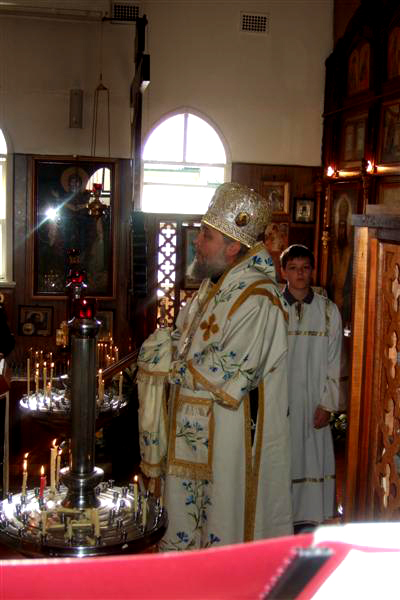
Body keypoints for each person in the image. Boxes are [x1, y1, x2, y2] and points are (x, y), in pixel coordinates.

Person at [137, 182, 293, 550]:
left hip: (229, 436)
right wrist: (167, 348)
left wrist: (172, 363)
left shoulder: (259, 298)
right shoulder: (213, 287)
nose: (197, 241)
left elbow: (230, 372)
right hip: (192, 429)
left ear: (233, 246)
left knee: (222, 517)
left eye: (206, 235)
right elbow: (183, 336)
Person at [280, 244, 342, 532]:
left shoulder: (328, 311)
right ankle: (281, 517)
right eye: (293, 268)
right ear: (283, 272)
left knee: (313, 455)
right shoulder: (272, 307)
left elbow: (334, 360)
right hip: (281, 400)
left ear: (312, 270)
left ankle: (312, 516)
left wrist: (328, 404)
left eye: (305, 268)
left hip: (315, 399)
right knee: (283, 456)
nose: (300, 274)